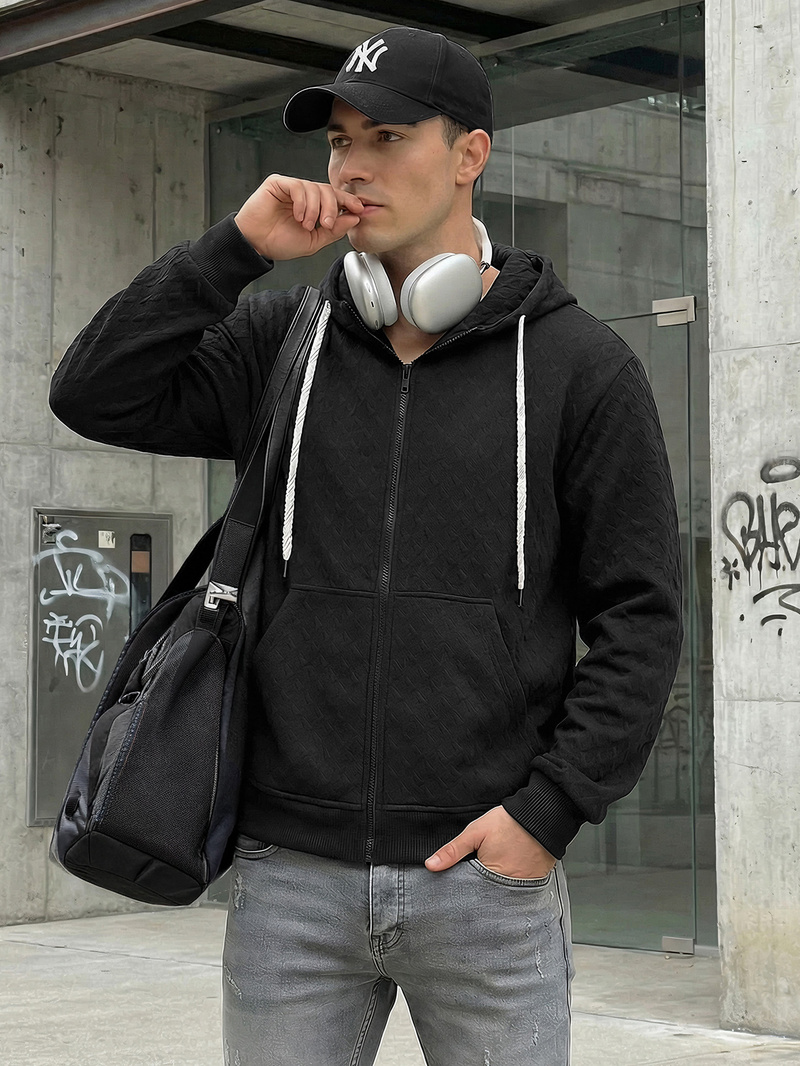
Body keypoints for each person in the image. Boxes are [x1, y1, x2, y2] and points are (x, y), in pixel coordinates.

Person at [49, 25, 683, 1066]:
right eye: (342, 140)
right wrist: (235, 251)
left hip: (484, 884)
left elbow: (641, 615)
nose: (352, 166)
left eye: (387, 137)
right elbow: (93, 392)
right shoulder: (281, 345)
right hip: (289, 882)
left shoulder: (580, 366)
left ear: (469, 154)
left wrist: (546, 812)